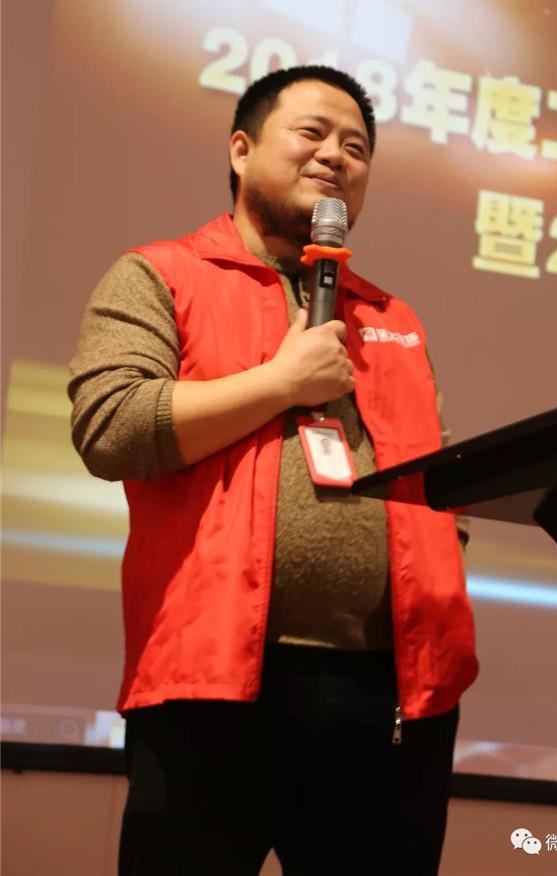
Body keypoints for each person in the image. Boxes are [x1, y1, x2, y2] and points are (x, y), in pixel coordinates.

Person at [68, 65, 478, 876]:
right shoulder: (161, 275)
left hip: (390, 698)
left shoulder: (391, 318)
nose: (335, 156)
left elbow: (436, 483)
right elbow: (111, 427)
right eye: (312, 133)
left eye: (356, 147)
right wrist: (280, 384)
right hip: (216, 685)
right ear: (241, 149)